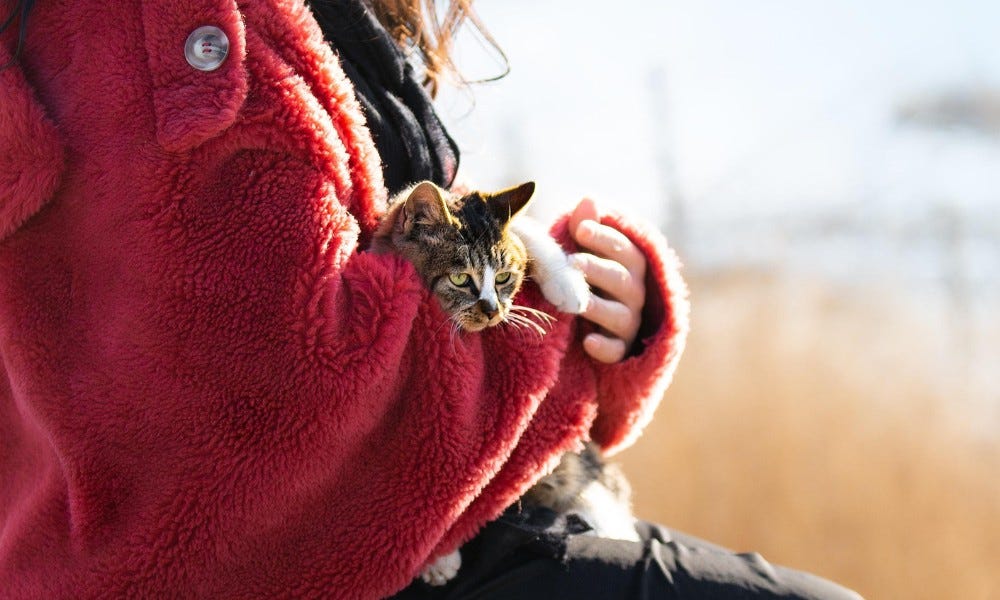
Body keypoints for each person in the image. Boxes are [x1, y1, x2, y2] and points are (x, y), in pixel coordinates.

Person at [0, 1, 860, 598]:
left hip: (410, 534)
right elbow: (287, 392)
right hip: (337, 564)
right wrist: (558, 333)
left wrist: (595, 293)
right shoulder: (157, 33)